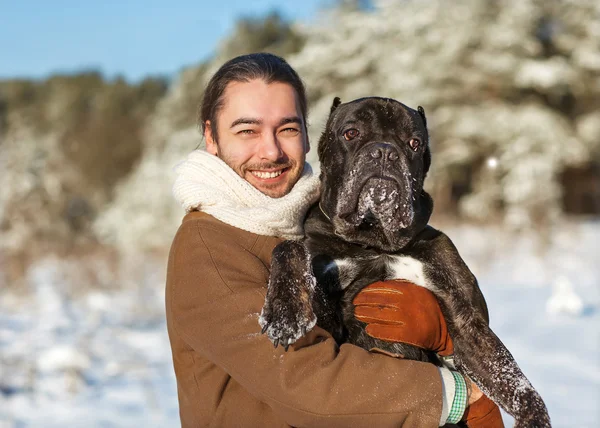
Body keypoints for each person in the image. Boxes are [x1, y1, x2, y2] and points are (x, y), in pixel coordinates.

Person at [166, 52, 503, 427]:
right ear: (211, 136)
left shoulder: (319, 223)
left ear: (311, 139)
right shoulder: (207, 247)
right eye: (247, 130)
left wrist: (448, 342)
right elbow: (309, 382)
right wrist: (460, 394)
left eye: (288, 129)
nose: (271, 151)